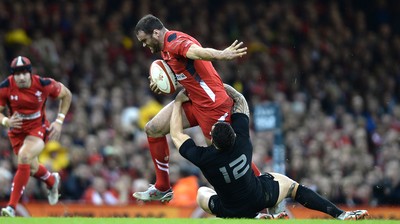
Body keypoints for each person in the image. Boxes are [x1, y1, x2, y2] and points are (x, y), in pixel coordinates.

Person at [169, 85, 369, 220]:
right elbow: (240, 100)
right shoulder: (243, 142)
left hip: (228, 208)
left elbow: (177, 135)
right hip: (258, 196)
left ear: (211, 139)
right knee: (292, 187)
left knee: (202, 193)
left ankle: (257, 218)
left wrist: (178, 102)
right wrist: (219, 86)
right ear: (232, 134)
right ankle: (340, 215)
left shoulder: (205, 158)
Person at [132, 14, 261, 202]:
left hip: (213, 106)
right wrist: (164, 83)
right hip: (194, 101)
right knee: (153, 129)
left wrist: (222, 54)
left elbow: (196, 52)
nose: (144, 45)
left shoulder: (175, 42)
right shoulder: (165, 48)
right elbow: (187, 74)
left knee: (229, 157)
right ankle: (162, 187)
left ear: (156, 32)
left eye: (145, 41)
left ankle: (265, 194)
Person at [0, 56, 72, 217]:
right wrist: (6, 120)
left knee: (24, 157)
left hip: (38, 128)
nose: (21, 77)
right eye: (17, 74)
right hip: (16, 132)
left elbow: (67, 94)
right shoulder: (5, 87)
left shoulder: (43, 84)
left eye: (24, 73)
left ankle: (11, 207)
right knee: (31, 168)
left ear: (30, 73)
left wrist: (59, 121)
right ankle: (51, 181)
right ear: (13, 75)